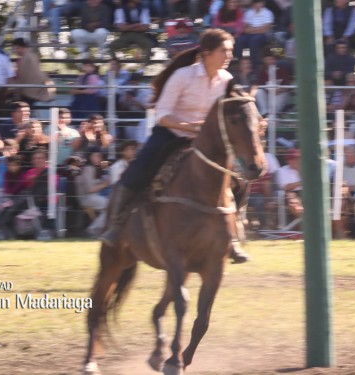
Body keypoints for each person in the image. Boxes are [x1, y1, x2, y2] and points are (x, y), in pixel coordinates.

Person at [98, 29, 251, 263]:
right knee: (139, 172)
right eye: (224, 50)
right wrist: (192, 127)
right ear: (207, 52)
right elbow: (163, 115)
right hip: (171, 134)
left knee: (240, 179)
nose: (229, 55)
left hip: (205, 140)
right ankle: (116, 225)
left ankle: (233, 235)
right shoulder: (182, 76)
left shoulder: (227, 80)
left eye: (231, 51)